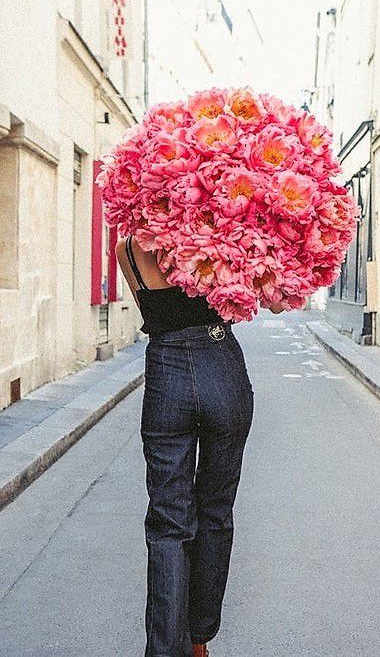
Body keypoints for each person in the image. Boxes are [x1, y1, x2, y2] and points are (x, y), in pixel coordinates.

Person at [116, 234, 283, 657]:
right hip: (220, 364)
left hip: (166, 372)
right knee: (215, 511)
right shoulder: (217, 233)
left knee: (168, 524)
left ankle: (163, 649)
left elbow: (156, 317)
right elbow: (278, 301)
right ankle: (198, 639)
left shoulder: (126, 249)